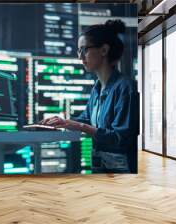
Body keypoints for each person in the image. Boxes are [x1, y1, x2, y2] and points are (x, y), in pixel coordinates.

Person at [40, 20, 139, 173]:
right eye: (78, 51)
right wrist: (62, 122)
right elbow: (86, 119)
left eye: (84, 50)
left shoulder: (126, 88)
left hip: (121, 173)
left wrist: (80, 126)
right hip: (102, 170)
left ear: (104, 50)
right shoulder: (97, 88)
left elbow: (120, 138)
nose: (80, 57)